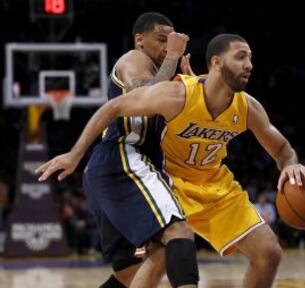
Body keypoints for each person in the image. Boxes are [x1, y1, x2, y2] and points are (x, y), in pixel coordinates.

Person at [37, 33, 305, 288]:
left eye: (251, 58)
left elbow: (282, 149)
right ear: (217, 62)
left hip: (216, 187)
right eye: (241, 56)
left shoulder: (248, 107)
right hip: (169, 182)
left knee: (269, 253)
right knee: (147, 265)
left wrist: (290, 163)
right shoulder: (178, 94)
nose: (249, 64)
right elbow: (115, 106)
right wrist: (75, 154)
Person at [39, 12, 199, 288]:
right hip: (125, 159)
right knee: (178, 231)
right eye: (161, 40)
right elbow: (145, 94)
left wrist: (192, 89)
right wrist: (173, 58)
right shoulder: (134, 59)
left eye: (171, 41)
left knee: (130, 274)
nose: (166, 46)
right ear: (139, 40)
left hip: (109, 170)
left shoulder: (167, 78)